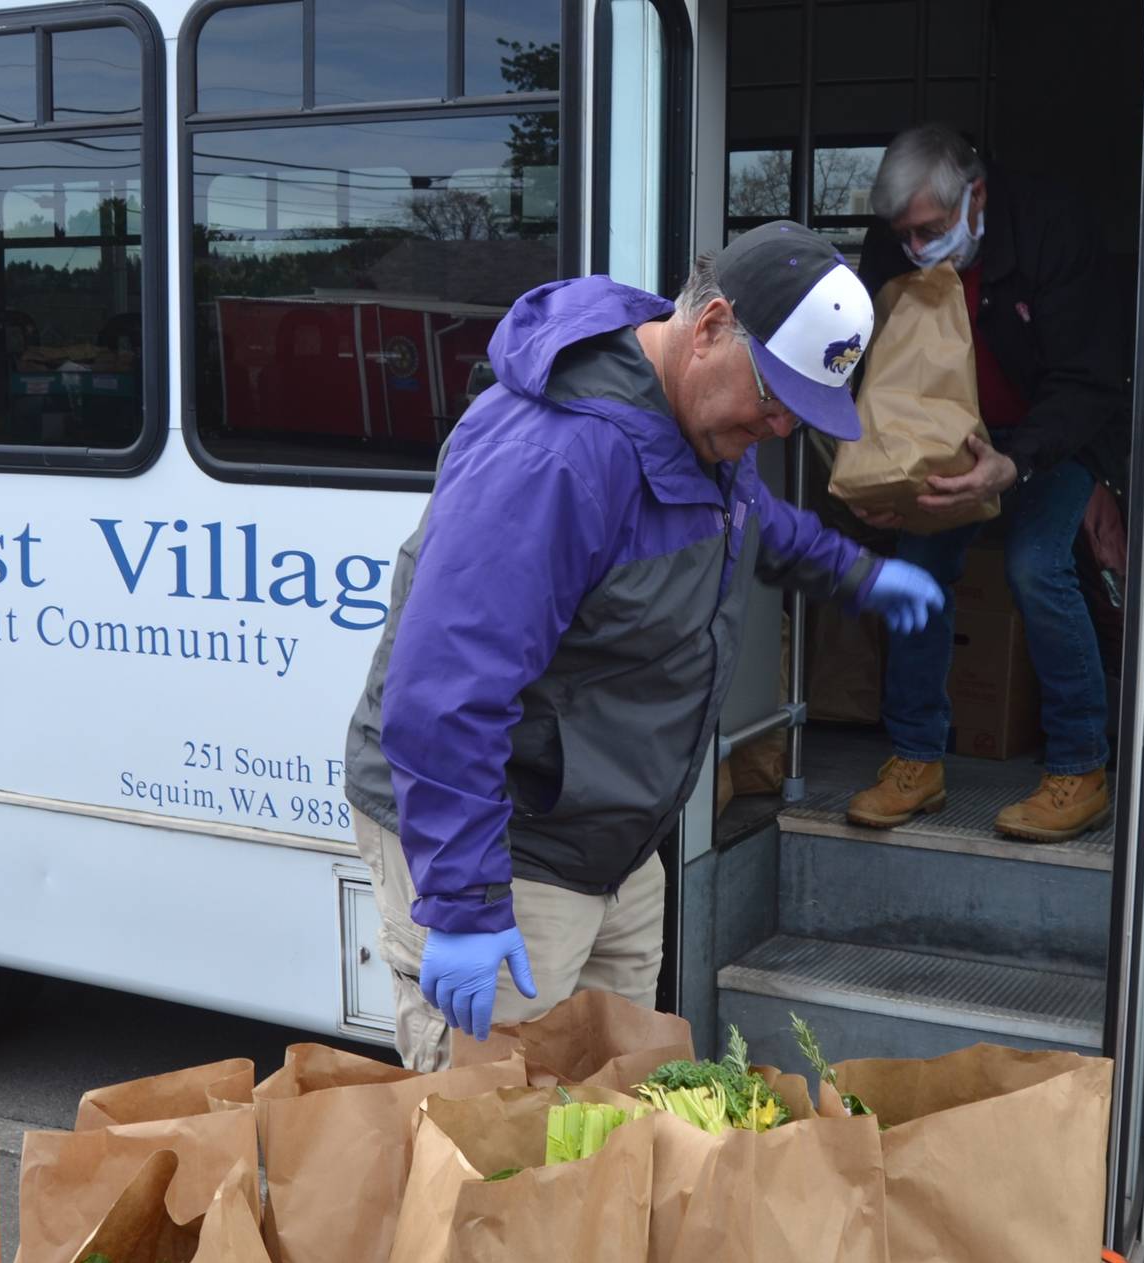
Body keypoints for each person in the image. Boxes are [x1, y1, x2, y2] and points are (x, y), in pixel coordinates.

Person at [345, 222, 944, 1070]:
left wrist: (853, 572)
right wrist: (467, 906)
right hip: (501, 844)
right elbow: (442, 694)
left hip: (610, 845)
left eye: (795, 413)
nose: (776, 426)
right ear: (709, 328)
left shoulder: (698, 430)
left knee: (613, 1124)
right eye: (772, 397)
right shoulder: (555, 458)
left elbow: (746, 518)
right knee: (499, 1157)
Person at [843, 124, 1131, 842]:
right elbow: (863, 359)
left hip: (1054, 432)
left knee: (1036, 565)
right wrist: (870, 463)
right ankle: (916, 760)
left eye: (929, 230)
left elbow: (1087, 379)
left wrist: (1015, 461)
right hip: (947, 433)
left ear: (975, 195)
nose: (914, 248)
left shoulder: (1052, 228)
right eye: (902, 235)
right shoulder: (895, 246)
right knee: (915, 567)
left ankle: (1079, 767)